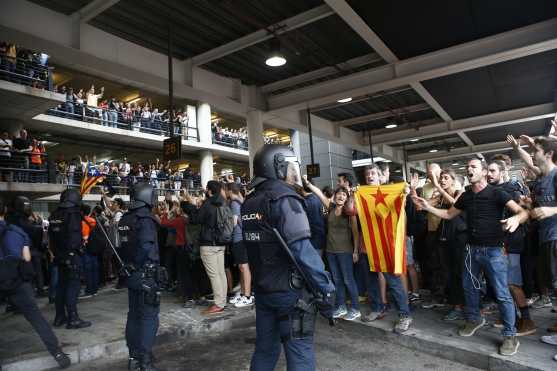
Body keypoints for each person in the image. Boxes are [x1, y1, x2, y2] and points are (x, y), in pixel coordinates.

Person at [413, 157, 529, 356]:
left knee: (501, 293)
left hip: (493, 251)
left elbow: (522, 212)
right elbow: (449, 214)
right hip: (471, 250)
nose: (469, 169)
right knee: (469, 288)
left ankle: (510, 335)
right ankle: (474, 319)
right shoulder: (466, 196)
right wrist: (427, 207)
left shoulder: (497, 193)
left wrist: (516, 219)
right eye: (467, 167)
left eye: (473, 166)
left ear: (484, 172)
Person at [241, 144, 335, 371]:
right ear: (279, 165)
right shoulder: (285, 199)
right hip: (291, 295)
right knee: (299, 353)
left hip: (264, 291)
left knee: (265, 350)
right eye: (293, 164)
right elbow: (302, 249)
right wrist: (326, 288)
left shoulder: (249, 202)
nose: (297, 171)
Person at [0, 196, 71, 369]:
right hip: (17, 283)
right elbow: (26, 257)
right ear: (4, 211)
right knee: (37, 319)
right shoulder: (17, 232)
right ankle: (58, 353)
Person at [358, 165, 413, 333]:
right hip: (368, 245)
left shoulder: (392, 192)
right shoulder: (361, 194)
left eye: (373, 173)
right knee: (371, 280)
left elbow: (402, 207)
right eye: (367, 174)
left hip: (387, 246)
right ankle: (377, 308)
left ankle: (405, 315)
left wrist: (405, 192)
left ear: (381, 177)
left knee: (394, 282)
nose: (369, 176)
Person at [487, 159, 536, 336]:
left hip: (511, 244)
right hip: (499, 243)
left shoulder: (512, 191)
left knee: (512, 284)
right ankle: (511, 316)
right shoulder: (492, 191)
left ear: (502, 172)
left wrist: (513, 220)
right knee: (502, 284)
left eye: (492, 171)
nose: (489, 174)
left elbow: (525, 214)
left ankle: (527, 320)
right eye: (488, 171)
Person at [118, 183, 163, 371]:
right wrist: (136, 264)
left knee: (134, 316)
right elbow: (146, 246)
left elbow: (122, 247)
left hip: (131, 275)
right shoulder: (145, 219)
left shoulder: (124, 219)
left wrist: (129, 266)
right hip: (145, 274)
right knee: (149, 318)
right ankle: (144, 360)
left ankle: (133, 357)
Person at [527, 138, 557, 354]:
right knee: (554, 285)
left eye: (536, 150)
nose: (533, 154)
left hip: (556, 236)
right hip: (546, 237)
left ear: (547, 153)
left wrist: (551, 210)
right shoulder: (542, 178)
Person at [181, 180, 229, 315]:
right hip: (221, 243)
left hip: (208, 244)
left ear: (209, 191)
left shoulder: (208, 204)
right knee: (220, 273)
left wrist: (188, 206)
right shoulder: (223, 202)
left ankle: (219, 304)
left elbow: (196, 219)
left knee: (214, 275)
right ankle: (222, 301)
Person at [49, 189, 92, 329]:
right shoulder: (72, 214)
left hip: (59, 256)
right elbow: (74, 237)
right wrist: (77, 250)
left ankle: (59, 316)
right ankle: (73, 318)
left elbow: (52, 238)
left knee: (61, 286)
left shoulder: (55, 213)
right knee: (73, 286)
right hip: (72, 256)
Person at [226, 182, 254, 308]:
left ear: (230, 191)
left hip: (239, 239)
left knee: (243, 267)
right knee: (242, 267)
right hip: (241, 238)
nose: (225, 192)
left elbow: (234, 222)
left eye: (227, 190)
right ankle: (243, 294)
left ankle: (247, 296)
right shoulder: (239, 201)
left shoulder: (234, 203)